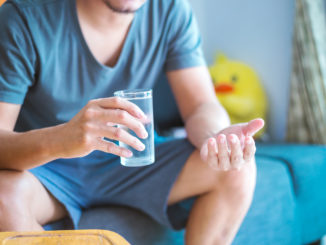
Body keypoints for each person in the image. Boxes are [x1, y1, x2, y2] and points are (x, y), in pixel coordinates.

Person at [0, 0, 264, 244]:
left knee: (238, 169)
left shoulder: (170, 10)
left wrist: (216, 137)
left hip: (133, 161)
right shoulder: (24, 17)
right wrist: (63, 139)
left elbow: (201, 106)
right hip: (48, 171)